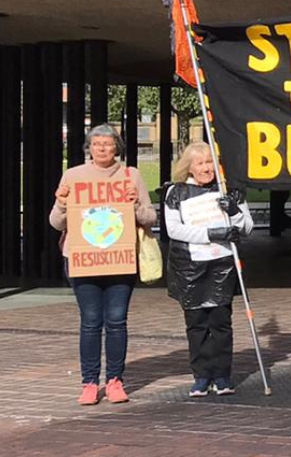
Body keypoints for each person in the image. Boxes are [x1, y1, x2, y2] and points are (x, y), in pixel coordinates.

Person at [51, 124, 157, 405]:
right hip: (83, 259)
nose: (102, 149)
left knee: (116, 321)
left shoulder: (130, 175)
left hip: (120, 260)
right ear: (89, 147)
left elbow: (150, 217)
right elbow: (56, 222)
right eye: (96, 144)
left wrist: (134, 206)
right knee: (90, 322)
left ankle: (114, 381)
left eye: (108, 144)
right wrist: (62, 203)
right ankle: (89, 382)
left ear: (116, 148)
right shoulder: (73, 176)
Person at [161, 142, 254, 397]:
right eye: (201, 163)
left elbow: (246, 227)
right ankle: (202, 375)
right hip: (190, 267)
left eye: (210, 162)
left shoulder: (229, 190)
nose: (207, 168)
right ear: (189, 166)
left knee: (221, 323)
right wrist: (210, 233)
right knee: (197, 323)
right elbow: (174, 230)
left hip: (222, 265)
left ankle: (222, 375)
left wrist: (233, 212)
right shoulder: (176, 193)